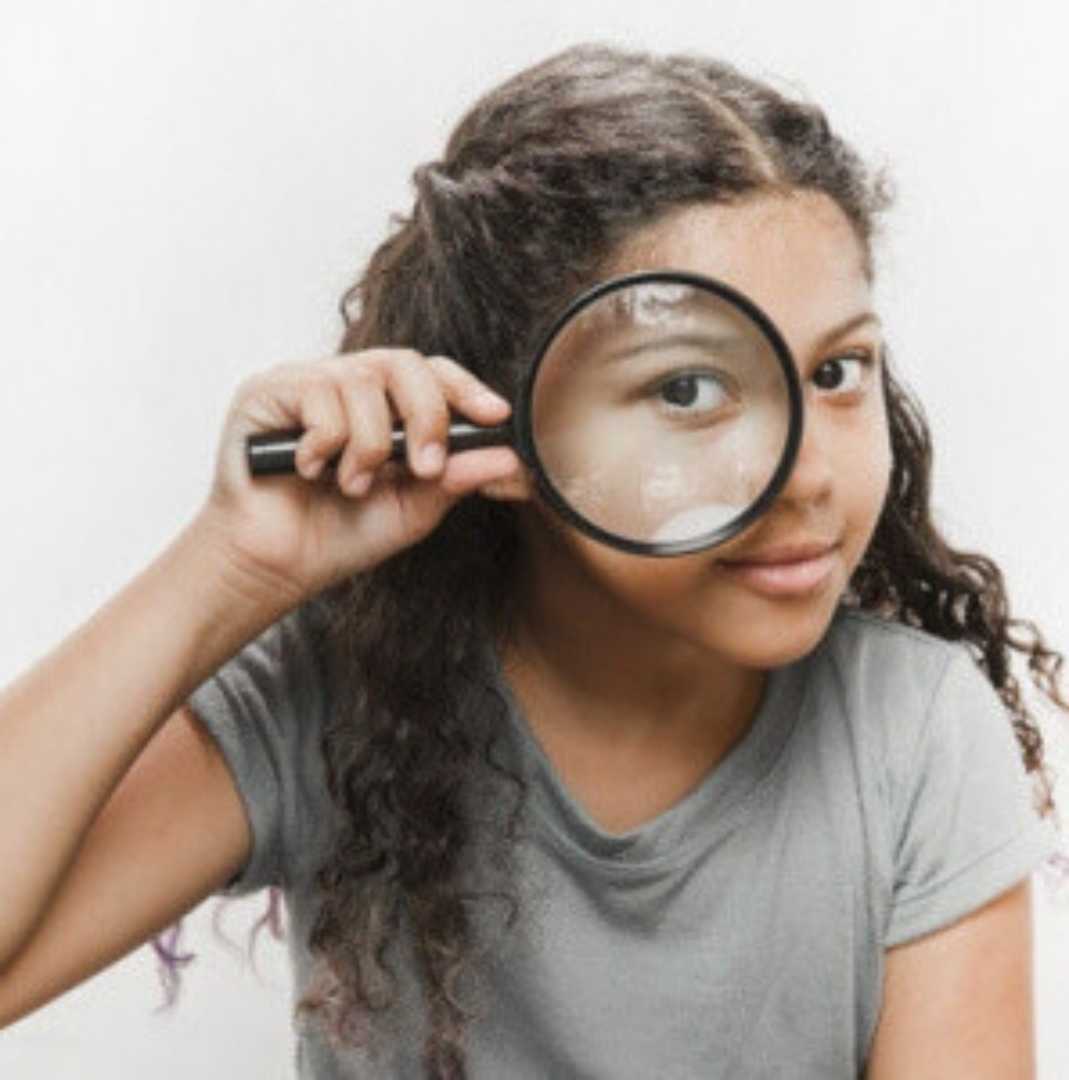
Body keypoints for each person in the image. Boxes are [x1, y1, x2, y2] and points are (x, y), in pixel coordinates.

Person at [0, 42, 1063, 1080]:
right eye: (689, 389)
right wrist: (230, 566)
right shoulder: (338, 692)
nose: (807, 477)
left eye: (838, 370)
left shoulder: (910, 733)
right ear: (506, 426)